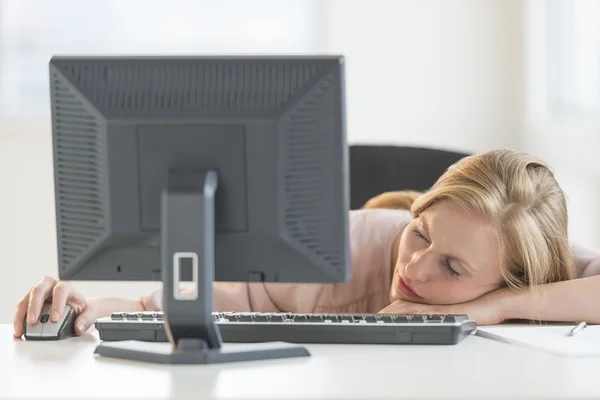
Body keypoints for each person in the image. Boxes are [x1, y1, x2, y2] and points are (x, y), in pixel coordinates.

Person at [12, 148, 600, 339]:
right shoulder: (351, 244)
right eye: (419, 232)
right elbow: (193, 297)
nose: (414, 267)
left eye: (450, 265)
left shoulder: (535, 271)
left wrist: (495, 308)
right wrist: (88, 306)